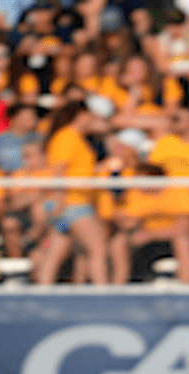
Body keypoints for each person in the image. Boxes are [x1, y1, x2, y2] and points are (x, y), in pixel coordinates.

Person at [34, 100, 111, 285]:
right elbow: (59, 170)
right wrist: (60, 200)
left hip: (71, 202)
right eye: (89, 115)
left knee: (56, 252)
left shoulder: (74, 138)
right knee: (98, 249)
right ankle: (103, 293)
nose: (92, 119)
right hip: (73, 203)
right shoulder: (67, 137)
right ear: (79, 116)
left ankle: (43, 292)